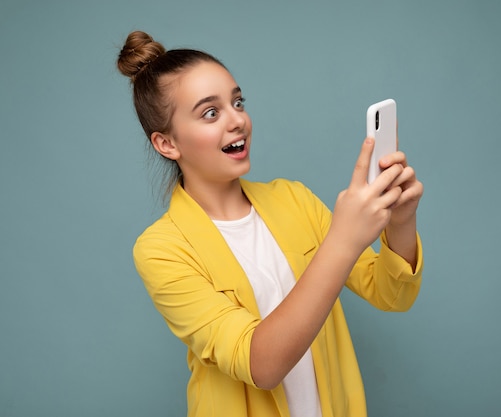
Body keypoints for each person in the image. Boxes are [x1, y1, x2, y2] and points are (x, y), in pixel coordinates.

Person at [117, 30, 424, 417]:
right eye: (211, 113)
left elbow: (391, 294)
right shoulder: (161, 250)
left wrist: (401, 220)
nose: (238, 121)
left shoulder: (293, 199)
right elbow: (261, 365)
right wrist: (344, 241)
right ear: (167, 144)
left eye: (238, 102)